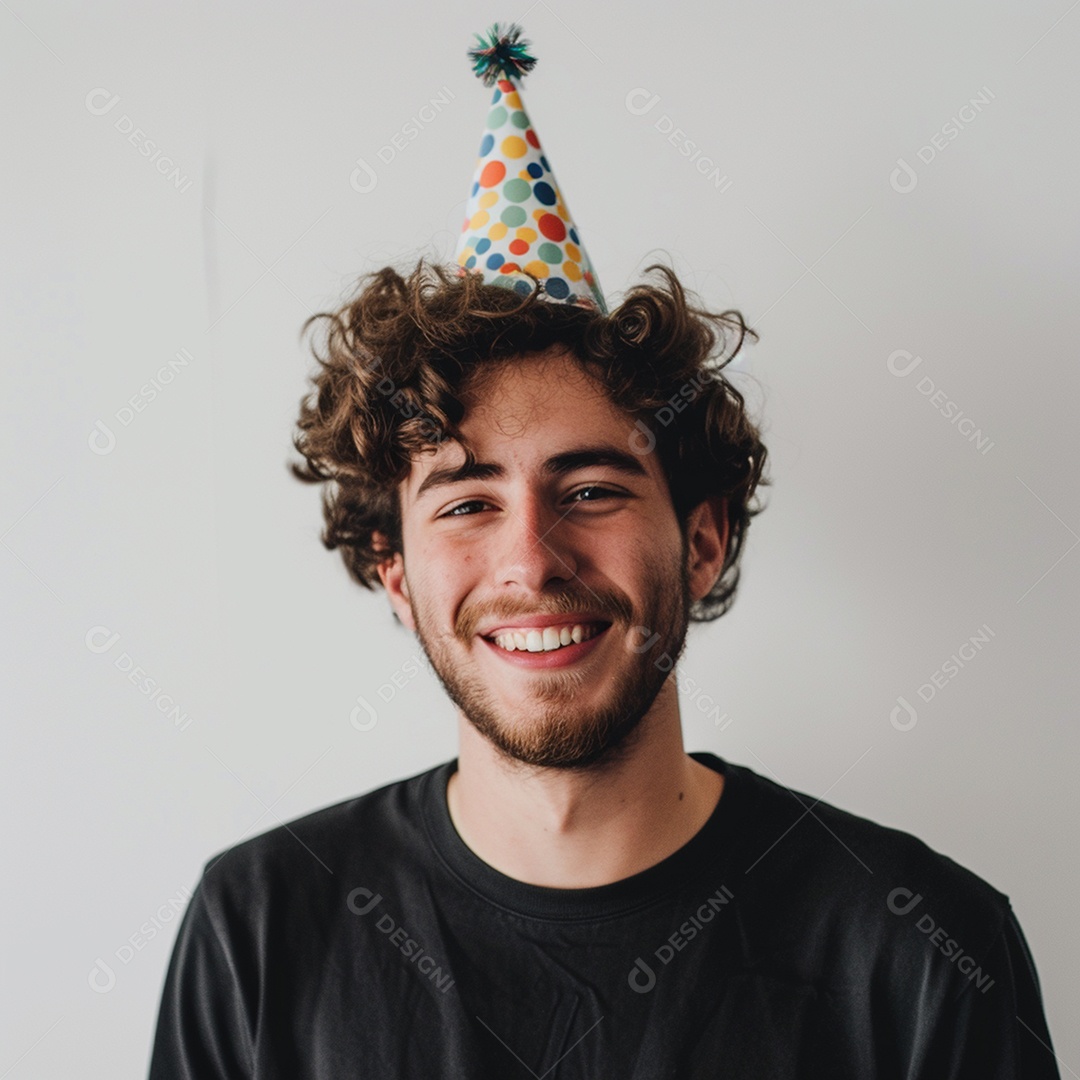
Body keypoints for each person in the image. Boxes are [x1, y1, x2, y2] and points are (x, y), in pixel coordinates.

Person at [147, 24, 1060, 1080]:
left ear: (703, 539)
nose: (531, 562)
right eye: (467, 504)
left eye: (589, 491)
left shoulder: (922, 951)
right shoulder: (259, 935)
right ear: (394, 571)